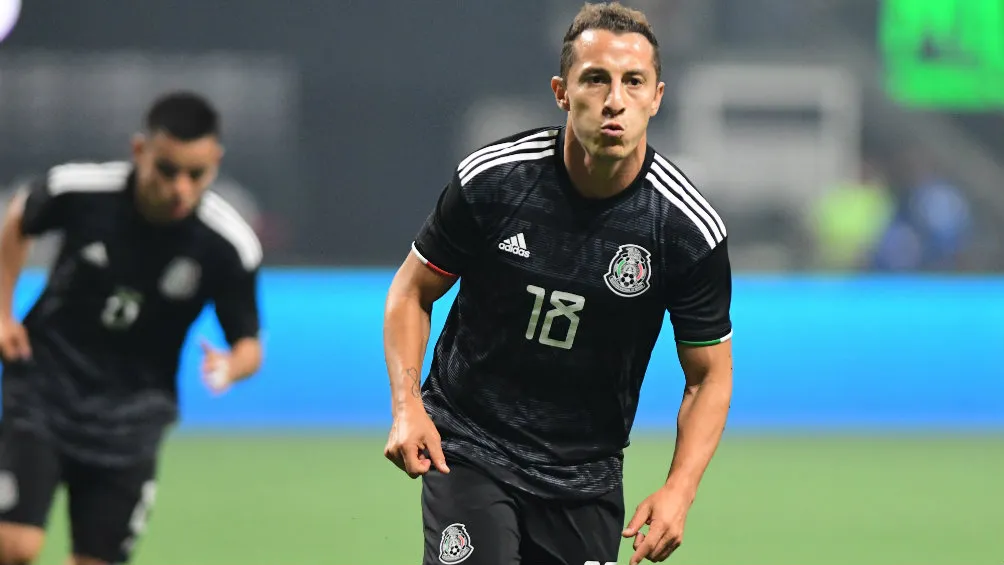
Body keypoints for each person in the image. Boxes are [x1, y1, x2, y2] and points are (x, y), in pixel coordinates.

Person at [383, 3, 734, 565]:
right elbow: (412, 292)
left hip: (585, 478)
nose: (614, 100)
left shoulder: (686, 230)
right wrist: (408, 407)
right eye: (595, 79)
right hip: (472, 446)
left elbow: (709, 377)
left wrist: (680, 491)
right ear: (561, 92)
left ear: (656, 97)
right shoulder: (494, 182)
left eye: (632, 82)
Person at [0, 91, 264, 565]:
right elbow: (19, 216)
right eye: (167, 170)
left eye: (196, 174)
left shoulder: (228, 246)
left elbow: (249, 344)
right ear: (139, 151)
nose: (180, 187)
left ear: (215, 163)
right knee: (14, 546)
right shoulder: (80, 190)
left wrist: (231, 367)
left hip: (133, 417)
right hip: (45, 388)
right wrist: (1, 312)